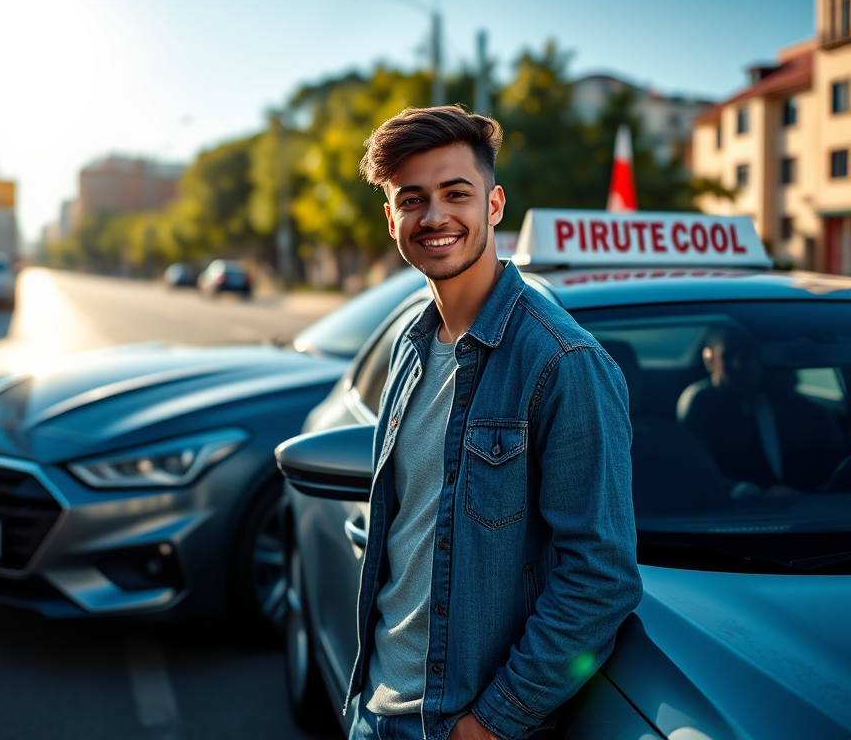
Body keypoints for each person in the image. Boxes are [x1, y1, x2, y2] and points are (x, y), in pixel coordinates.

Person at [346, 105, 642, 740]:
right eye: (412, 199)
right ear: (391, 218)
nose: (434, 216)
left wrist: (489, 723)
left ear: (494, 204)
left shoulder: (563, 363)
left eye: (456, 193)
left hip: (460, 721)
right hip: (374, 705)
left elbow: (601, 577)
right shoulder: (409, 347)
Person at [677, 327, 845, 494]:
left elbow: (835, 465)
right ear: (710, 360)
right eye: (727, 355)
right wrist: (750, 493)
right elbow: (698, 472)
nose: (738, 364)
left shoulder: (803, 410)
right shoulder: (701, 405)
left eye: (747, 353)